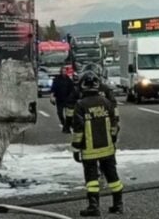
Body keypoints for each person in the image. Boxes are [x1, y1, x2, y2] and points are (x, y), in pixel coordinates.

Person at [71, 71, 123, 217]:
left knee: (92, 180)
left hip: (89, 151)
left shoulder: (80, 105)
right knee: (113, 177)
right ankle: (118, 204)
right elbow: (114, 125)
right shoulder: (106, 102)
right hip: (107, 149)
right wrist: (112, 141)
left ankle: (94, 207)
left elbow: (78, 130)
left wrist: (76, 148)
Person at [50, 66, 74, 132]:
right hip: (59, 99)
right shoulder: (57, 79)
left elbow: (72, 89)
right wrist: (51, 97)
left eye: (65, 71)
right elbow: (53, 89)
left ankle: (67, 126)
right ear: (60, 72)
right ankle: (64, 124)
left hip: (67, 99)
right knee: (59, 113)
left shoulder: (68, 80)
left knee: (68, 114)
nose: (64, 72)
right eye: (62, 71)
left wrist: (72, 97)